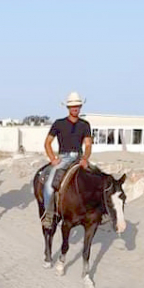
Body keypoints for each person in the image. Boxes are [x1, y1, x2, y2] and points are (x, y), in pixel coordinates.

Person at [41, 92, 92, 228]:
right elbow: (47, 143)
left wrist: (85, 158)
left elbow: (88, 145)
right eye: (72, 106)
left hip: (80, 157)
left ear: (80, 107)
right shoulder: (59, 123)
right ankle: (49, 215)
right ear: (68, 108)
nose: (75, 108)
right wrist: (52, 158)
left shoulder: (85, 124)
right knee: (49, 185)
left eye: (77, 106)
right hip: (63, 157)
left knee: (98, 180)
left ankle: (99, 213)